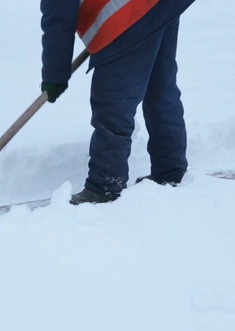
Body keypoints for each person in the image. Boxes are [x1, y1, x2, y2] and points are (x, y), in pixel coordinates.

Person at [40, 0, 195, 205]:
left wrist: (55, 76)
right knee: (159, 88)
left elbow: (59, 17)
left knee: (113, 101)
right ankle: (170, 171)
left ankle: (104, 186)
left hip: (131, 13)